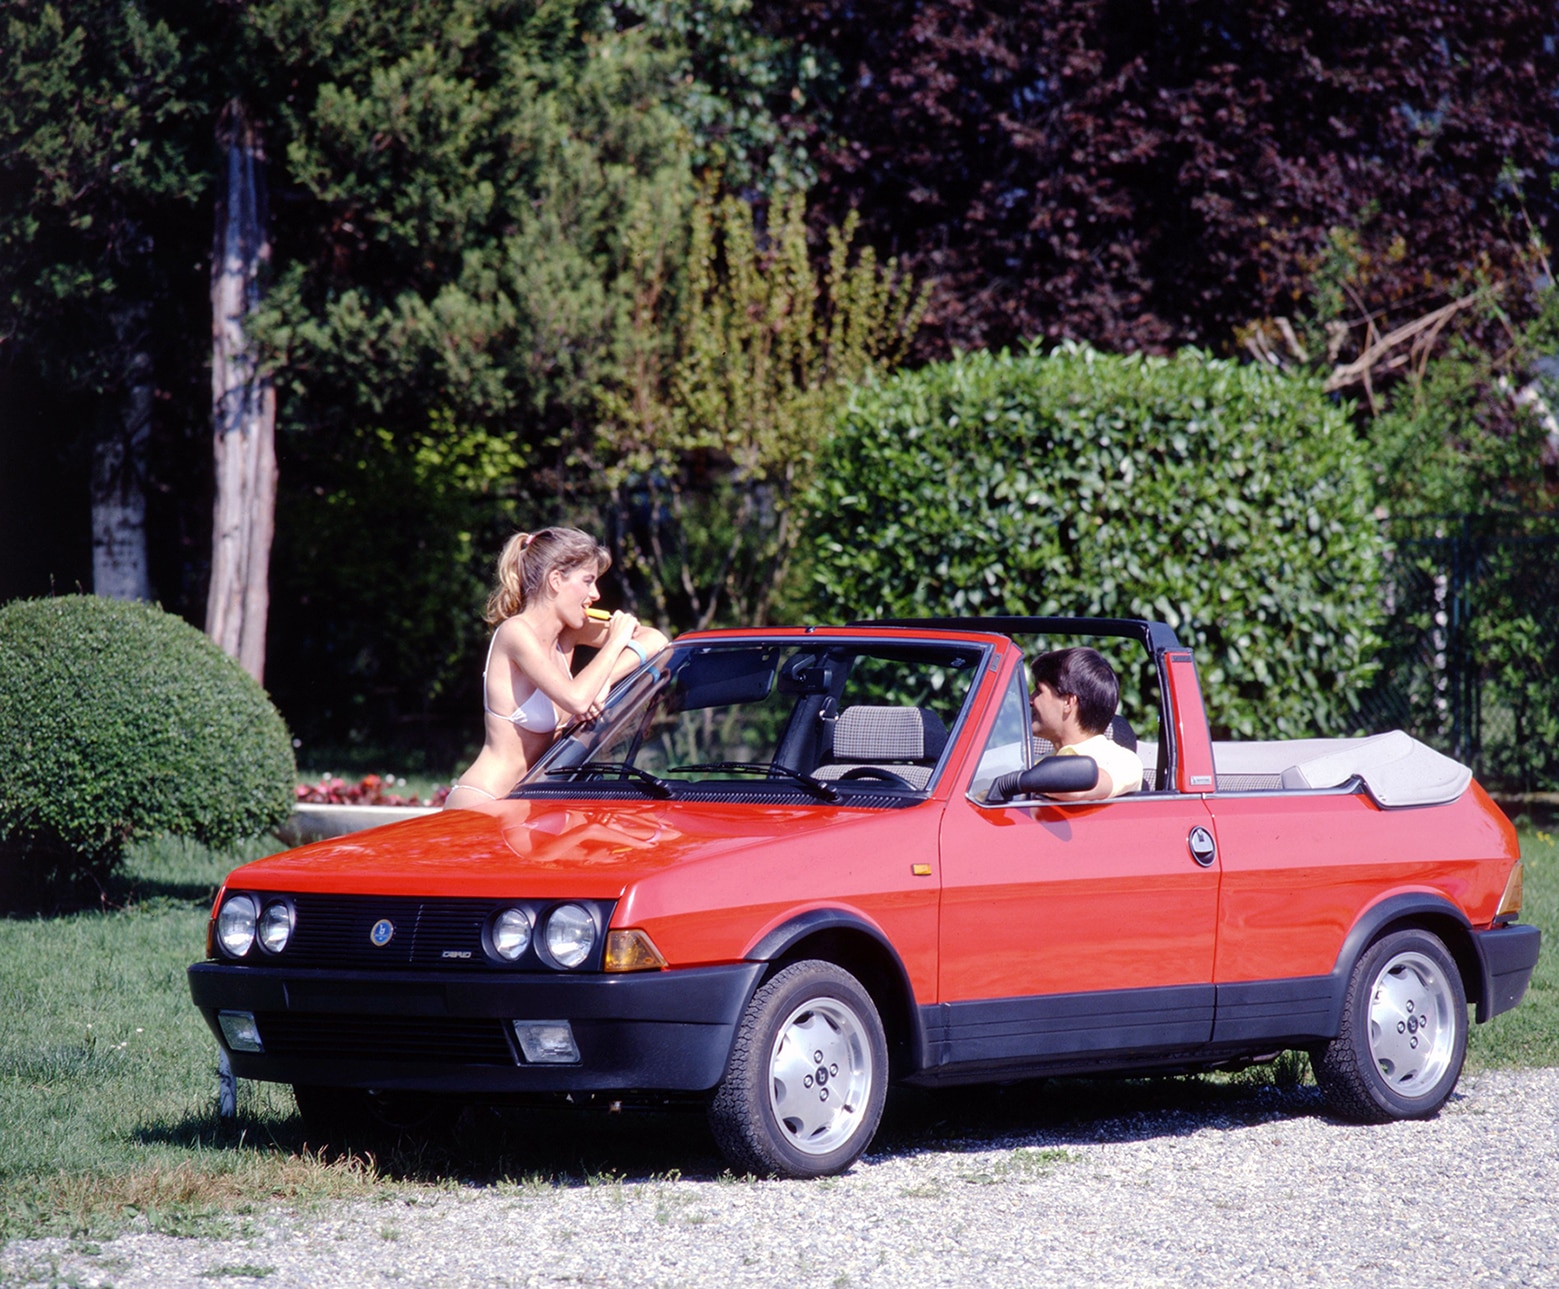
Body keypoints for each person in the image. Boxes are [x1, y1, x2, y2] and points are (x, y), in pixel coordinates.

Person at [445, 528, 668, 808]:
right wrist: (615, 643)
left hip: (526, 804)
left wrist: (605, 680)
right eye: (588, 581)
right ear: (555, 580)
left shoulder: (569, 633)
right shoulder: (515, 633)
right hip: (483, 801)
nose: (595, 594)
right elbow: (576, 698)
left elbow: (656, 639)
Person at [1028, 646, 1144, 800]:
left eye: (1038, 691)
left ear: (1068, 702)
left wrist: (1020, 782)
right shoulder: (1036, 762)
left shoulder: (1124, 762)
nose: (1030, 700)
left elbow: (1079, 788)